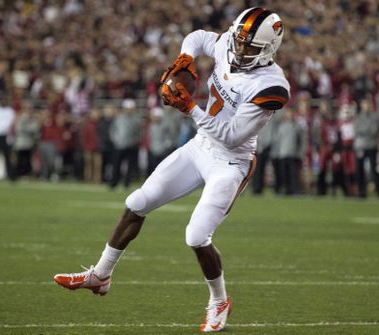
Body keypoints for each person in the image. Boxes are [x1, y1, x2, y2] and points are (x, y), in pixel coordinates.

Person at [54, 7, 290, 333]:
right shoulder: (229, 44)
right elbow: (197, 38)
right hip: (200, 147)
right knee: (137, 202)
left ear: (268, 50)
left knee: (196, 235)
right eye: (238, 40)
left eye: (249, 46)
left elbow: (232, 135)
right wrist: (185, 59)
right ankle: (101, 274)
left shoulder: (271, 85)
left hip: (231, 161)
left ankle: (219, 300)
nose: (238, 49)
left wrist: (190, 108)